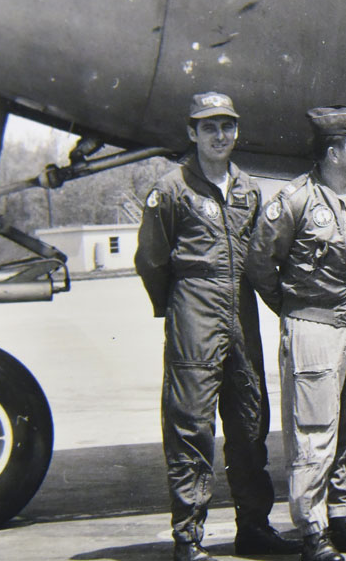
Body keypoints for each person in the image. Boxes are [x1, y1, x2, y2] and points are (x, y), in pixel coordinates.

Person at [135, 92, 300, 561]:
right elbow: (151, 259)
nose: (219, 135)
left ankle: (253, 527)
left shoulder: (248, 189)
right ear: (192, 133)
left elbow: (259, 254)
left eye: (226, 126)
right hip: (194, 305)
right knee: (191, 424)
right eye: (208, 127)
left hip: (241, 308)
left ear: (236, 131)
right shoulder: (171, 189)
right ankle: (188, 536)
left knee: (249, 420)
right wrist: (177, 307)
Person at [246, 106, 346, 561]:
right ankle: (314, 532)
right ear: (333, 152)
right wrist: (296, 312)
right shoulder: (292, 201)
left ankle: (345, 519)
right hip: (315, 326)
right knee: (313, 432)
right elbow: (259, 265)